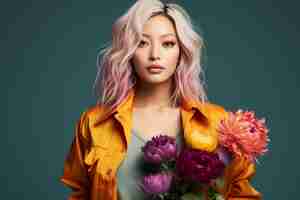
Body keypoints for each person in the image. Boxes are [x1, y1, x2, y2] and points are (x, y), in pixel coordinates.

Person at [60, 0, 262, 199]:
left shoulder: (217, 122)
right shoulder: (94, 123)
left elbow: (242, 193)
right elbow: (80, 193)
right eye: (142, 43)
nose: (155, 55)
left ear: (182, 51)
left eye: (168, 43)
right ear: (129, 51)